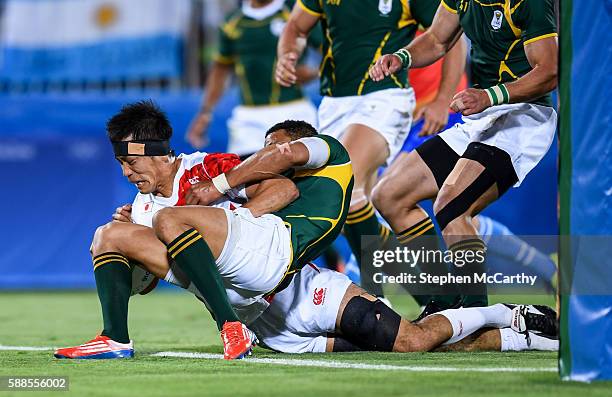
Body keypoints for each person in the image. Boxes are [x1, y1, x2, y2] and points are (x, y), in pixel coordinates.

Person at [54, 108, 557, 358]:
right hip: (266, 320)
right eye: (119, 164)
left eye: (129, 161)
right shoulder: (141, 206)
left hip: (296, 284)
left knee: (413, 338)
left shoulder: (213, 167)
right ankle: (518, 336)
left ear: (159, 152)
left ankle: (500, 310)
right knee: (109, 236)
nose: (126, 172)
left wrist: (226, 201)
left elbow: (281, 188)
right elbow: (145, 281)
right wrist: (134, 248)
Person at [369, 0, 558, 316]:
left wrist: (489, 95)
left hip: (524, 117)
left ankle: (474, 314)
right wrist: (402, 57)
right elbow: (436, 39)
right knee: (389, 195)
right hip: (480, 114)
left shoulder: (529, 3)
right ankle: (444, 299)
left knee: (453, 206)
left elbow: (549, 71)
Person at [275, 0, 467, 300]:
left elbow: (450, 37)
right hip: (334, 104)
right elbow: (296, 27)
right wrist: (287, 55)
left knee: (346, 183)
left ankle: (373, 295)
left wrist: (443, 98)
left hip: (385, 98)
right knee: (351, 205)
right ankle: (435, 296)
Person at [186, 0, 319, 157]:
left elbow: (331, 49)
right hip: (249, 119)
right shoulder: (232, 23)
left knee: (300, 176)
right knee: (245, 175)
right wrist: (205, 113)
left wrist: (314, 73)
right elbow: (220, 69)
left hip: (294, 113)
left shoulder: (295, 11)